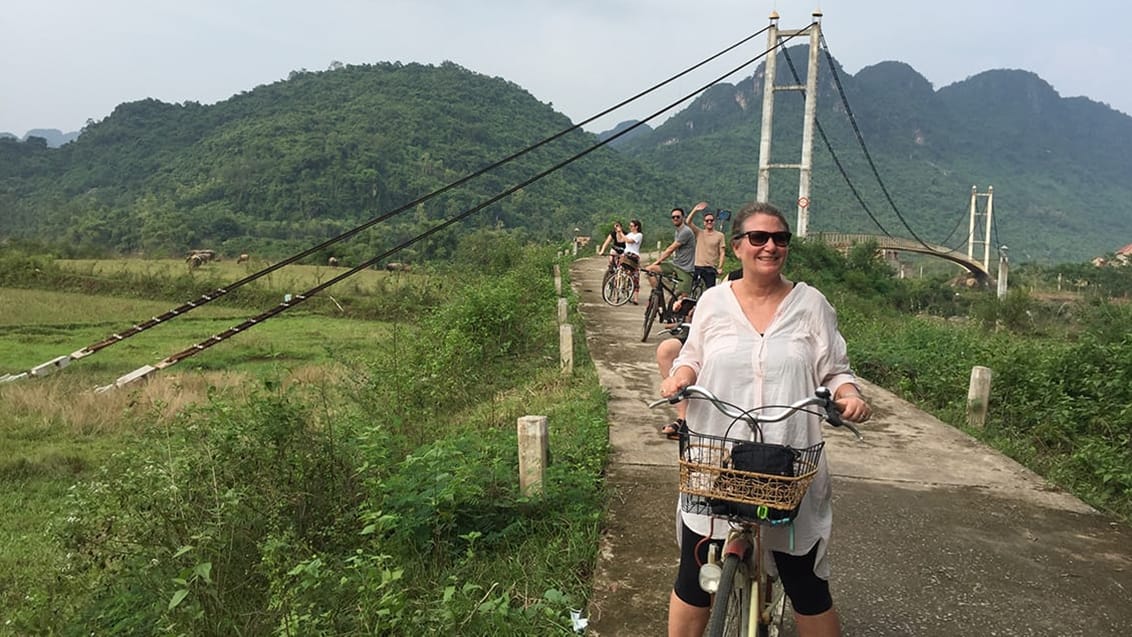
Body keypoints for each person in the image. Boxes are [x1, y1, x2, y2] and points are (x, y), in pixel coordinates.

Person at [659, 201, 871, 637]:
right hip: (715, 456)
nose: (770, 246)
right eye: (758, 238)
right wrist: (679, 375)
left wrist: (849, 395)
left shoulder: (811, 304)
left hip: (787, 462)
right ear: (737, 247)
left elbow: (835, 370)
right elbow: (692, 355)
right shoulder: (714, 303)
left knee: (807, 586)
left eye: (780, 239)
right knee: (694, 578)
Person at [645, 206, 697, 300]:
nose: (675, 219)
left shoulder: (686, 231)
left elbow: (671, 249)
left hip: (685, 269)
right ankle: (657, 295)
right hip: (675, 264)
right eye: (673, 217)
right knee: (650, 270)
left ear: (683, 218)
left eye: (678, 216)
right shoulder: (678, 231)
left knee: (683, 299)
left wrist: (658, 261)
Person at [685, 203, 727, 289]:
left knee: (710, 291)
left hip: (710, 268)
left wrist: (720, 267)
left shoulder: (720, 235)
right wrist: (695, 210)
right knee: (692, 289)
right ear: (704, 223)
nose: (709, 222)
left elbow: (722, 252)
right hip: (697, 266)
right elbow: (688, 222)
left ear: (714, 222)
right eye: (707, 220)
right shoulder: (699, 232)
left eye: (711, 220)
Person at [616, 219, 644, 304]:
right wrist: (618, 231)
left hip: (633, 255)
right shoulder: (629, 234)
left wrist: (621, 232)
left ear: (636, 227)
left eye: (632, 226)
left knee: (635, 276)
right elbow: (620, 240)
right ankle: (617, 293)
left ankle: (635, 298)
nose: (630, 227)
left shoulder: (639, 235)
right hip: (626, 254)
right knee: (619, 272)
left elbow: (629, 241)